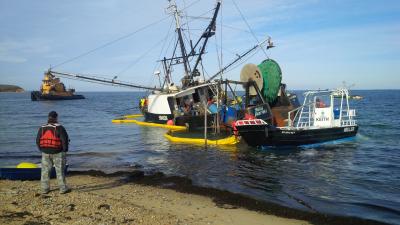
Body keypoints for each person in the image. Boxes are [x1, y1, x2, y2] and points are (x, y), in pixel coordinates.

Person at [36, 111, 69, 194]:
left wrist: (41, 149)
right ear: (56, 117)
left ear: (48, 117)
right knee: (60, 171)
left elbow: (37, 140)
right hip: (58, 152)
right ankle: (63, 189)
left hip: (45, 152)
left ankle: (44, 189)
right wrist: (65, 150)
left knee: (45, 171)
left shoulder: (42, 127)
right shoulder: (60, 127)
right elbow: (64, 140)